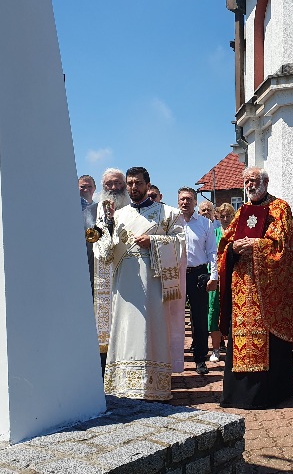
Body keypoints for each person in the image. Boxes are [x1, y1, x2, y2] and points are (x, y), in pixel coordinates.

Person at [217, 167, 293, 409]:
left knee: (271, 344)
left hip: (269, 291)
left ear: (265, 182)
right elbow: (225, 244)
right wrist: (233, 249)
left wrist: (257, 245)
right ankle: (238, 394)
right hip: (243, 288)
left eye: (253, 181)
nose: (249, 185)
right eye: (246, 181)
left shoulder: (280, 208)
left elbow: (284, 248)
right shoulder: (242, 211)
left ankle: (271, 393)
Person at [96, 166, 186, 400]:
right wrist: (105, 229)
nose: (133, 187)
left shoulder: (168, 214)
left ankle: (152, 387)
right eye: (130, 183)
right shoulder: (118, 215)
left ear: (147, 185)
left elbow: (181, 245)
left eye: (138, 183)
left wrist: (154, 241)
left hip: (153, 285)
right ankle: (124, 386)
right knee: (125, 330)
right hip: (125, 285)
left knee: (151, 330)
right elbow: (104, 254)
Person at [177, 187, 219, 375]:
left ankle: (200, 359)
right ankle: (174, 358)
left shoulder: (205, 224)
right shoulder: (172, 223)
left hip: (198, 274)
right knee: (174, 318)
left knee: (200, 319)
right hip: (176, 274)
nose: (185, 202)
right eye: (182, 199)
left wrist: (214, 277)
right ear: (178, 201)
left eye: (189, 199)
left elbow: (212, 252)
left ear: (195, 202)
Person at [91, 168, 129, 371]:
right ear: (103, 187)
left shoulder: (133, 210)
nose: (114, 188)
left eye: (118, 183)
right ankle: (103, 368)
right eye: (109, 184)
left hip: (127, 272)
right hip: (99, 275)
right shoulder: (91, 211)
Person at [208, 203, 235, 363]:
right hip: (217, 278)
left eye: (228, 216)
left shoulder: (237, 233)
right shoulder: (214, 233)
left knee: (233, 311)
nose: (225, 219)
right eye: (222, 216)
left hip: (233, 278)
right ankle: (216, 349)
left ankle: (233, 348)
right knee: (214, 312)